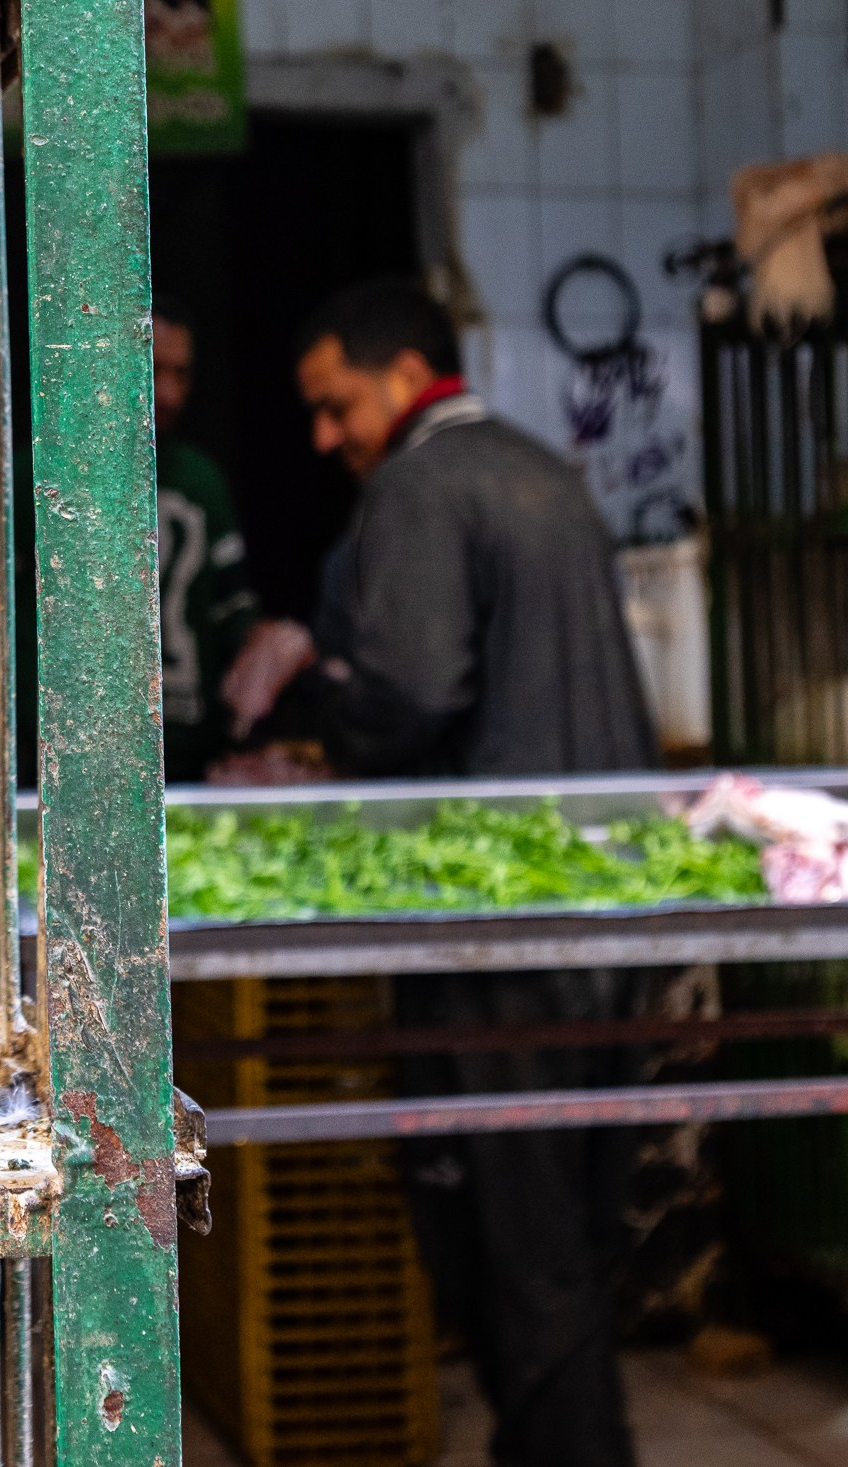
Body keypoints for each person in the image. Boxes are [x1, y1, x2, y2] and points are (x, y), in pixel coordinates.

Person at [223, 277, 655, 1467]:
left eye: (336, 404)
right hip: (605, 912)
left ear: (407, 378)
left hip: (497, 925)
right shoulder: (541, 472)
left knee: (518, 1258)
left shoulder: (419, 485)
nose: (324, 437)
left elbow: (411, 696)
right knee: (568, 1237)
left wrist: (311, 689)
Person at [150, 301, 262, 782]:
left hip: (194, 757)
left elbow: (234, 613)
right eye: (151, 370)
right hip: (61, 761)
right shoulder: (37, 475)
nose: (170, 394)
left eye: (183, 375)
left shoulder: (200, 481)